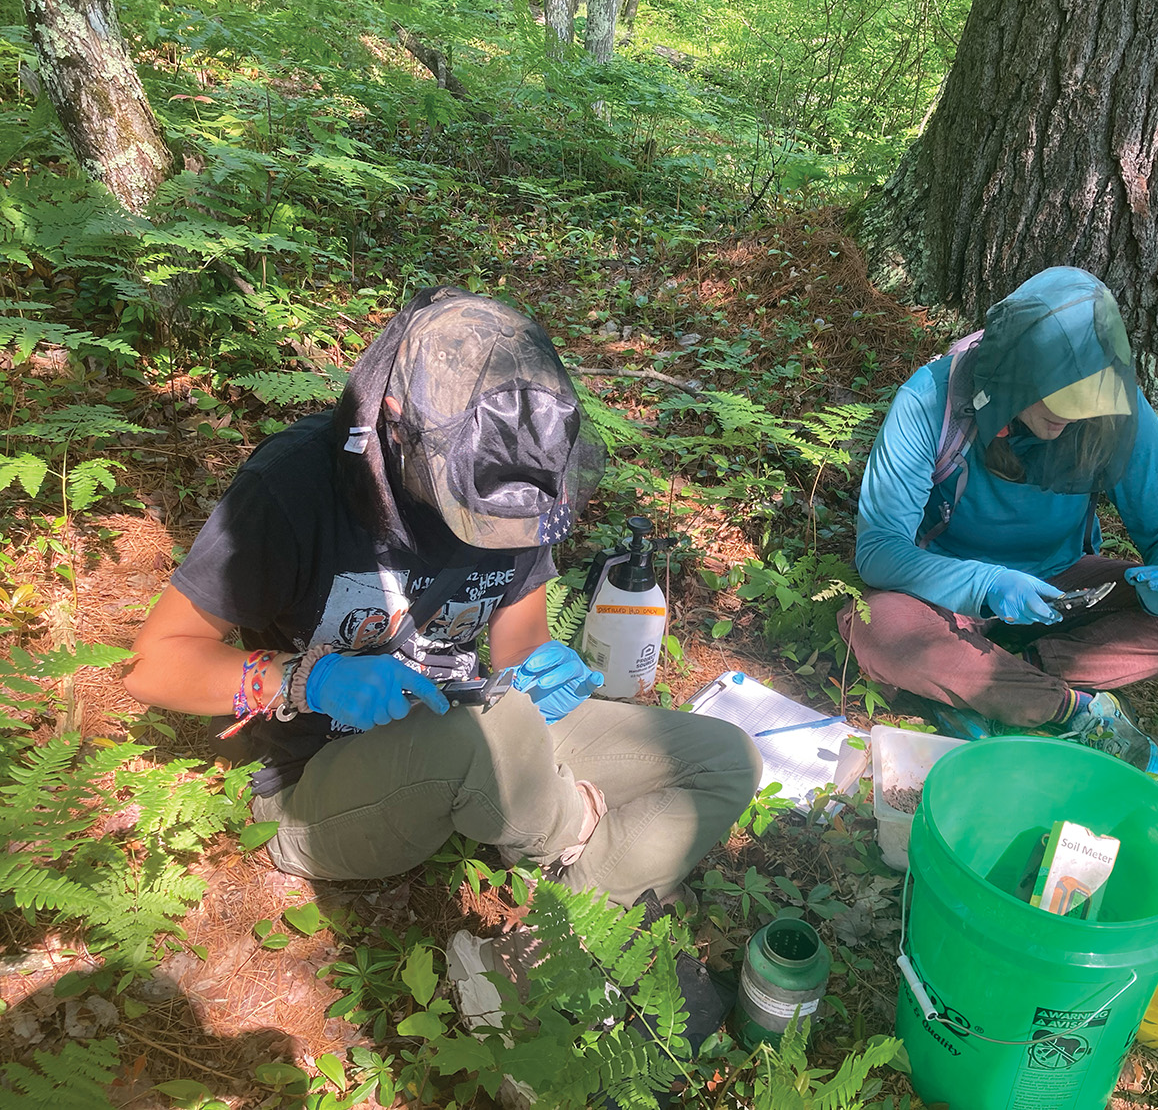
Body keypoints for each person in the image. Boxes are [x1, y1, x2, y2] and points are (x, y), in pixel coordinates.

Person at [124, 287, 761, 908]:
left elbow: (520, 646)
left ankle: (572, 919)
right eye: (472, 510)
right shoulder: (295, 487)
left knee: (726, 759)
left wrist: (541, 668)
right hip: (314, 780)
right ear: (397, 421)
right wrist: (305, 682)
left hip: (474, 738)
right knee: (479, 732)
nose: (493, 537)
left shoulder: (522, 479)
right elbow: (153, 667)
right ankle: (575, 874)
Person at [840, 266, 1158, 780]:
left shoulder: (1114, 411)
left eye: (1085, 400)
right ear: (1015, 375)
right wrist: (987, 583)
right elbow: (880, 549)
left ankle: (1004, 685)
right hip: (946, 597)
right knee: (874, 624)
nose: (1070, 417)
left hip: (1064, 590)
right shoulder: (931, 401)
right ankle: (1072, 714)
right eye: (1057, 398)